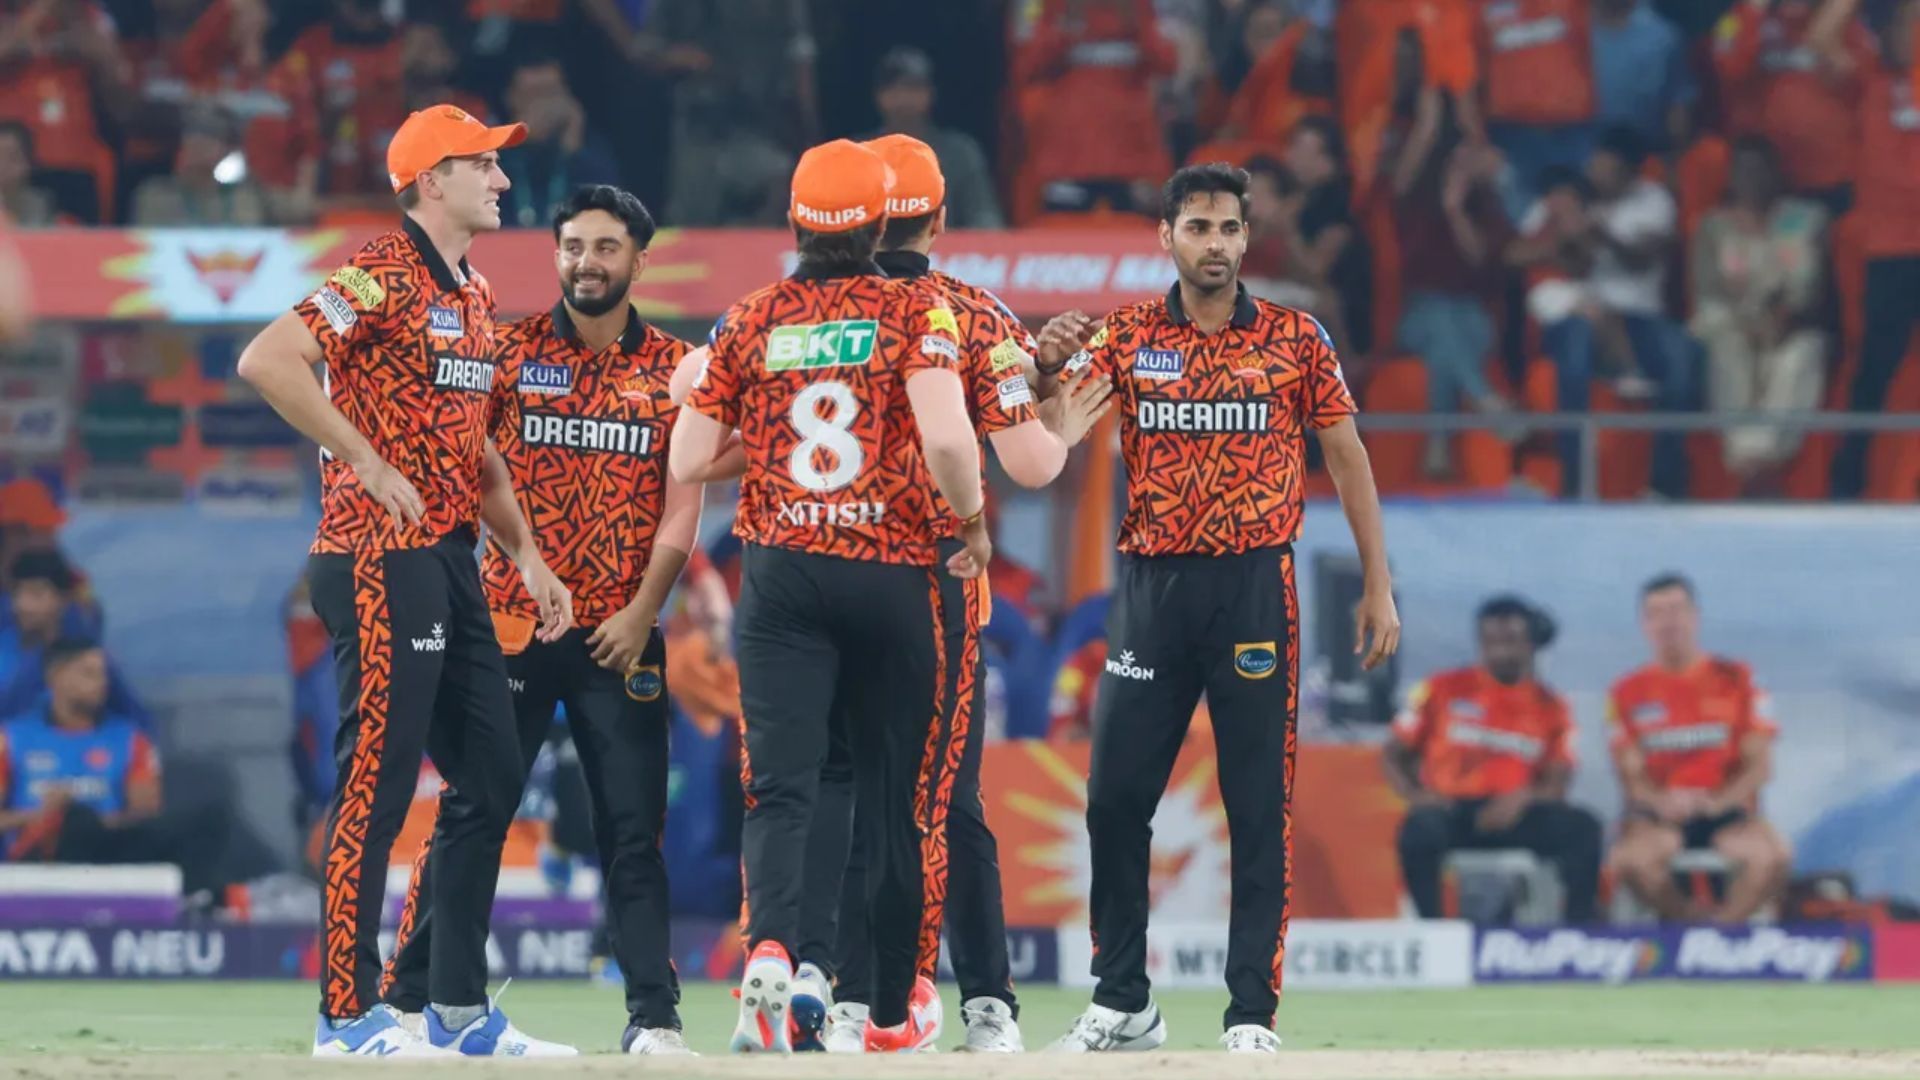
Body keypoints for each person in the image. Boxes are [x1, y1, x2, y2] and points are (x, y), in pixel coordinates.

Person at [235, 103, 576, 1058]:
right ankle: (343, 1016)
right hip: (374, 555)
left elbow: (484, 455)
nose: (503, 181)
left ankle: (445, 1006)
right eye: (483, 165)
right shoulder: (379, 271)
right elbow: (268, 359)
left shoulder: (472, 294)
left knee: (495, 776)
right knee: (378, 790)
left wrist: (529, 558)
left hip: (450, 561)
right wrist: (366, 459)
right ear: (432, 180)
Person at [1035, 162, 1399, 1055]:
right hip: (1153, 592)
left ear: (1247, 237)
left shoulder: (1295, 337)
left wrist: (1378, 584)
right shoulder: (1123, 338)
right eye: (1196, 227)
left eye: (1228, 228)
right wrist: (1044, 364)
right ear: (1166, 237)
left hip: (1252, 590)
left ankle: (1250, 1017)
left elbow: (1348, 458)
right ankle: (1123, 1001)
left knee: (1256, 810)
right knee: (1115, 800)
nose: (1214, 244)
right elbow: (1051, 437)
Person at [786, 133, 1112, 1054]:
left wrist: (1035, 372)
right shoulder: (969, 309)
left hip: (809, 572)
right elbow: (1023, 456)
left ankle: (827, 986)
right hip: (934, 576)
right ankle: (983, 1005)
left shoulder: (792, 307)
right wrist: (1054, 406)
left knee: (832, 786)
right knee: (943, 797)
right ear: (937, 216)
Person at [669, 138, 989, 1054]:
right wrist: (969, 523)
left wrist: (767, 449)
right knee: (894, 799)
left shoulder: (751, 317)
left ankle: (770, 949)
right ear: (884, 223)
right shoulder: (915, 313)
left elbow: (690, 457)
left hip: (780, 577)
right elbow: (952, 443)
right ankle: (884, 1008)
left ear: (798, 223)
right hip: (889, 573)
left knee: (781, 788)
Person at [376, 185, 699, 1055]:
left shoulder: (679, 368)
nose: (585, 263)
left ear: (638, 258)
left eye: (604, 247)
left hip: (617, 636)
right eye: (571, 247)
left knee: (633, 832)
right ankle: (414, 1000)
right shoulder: (507, 354)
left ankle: (654, 1021)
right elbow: (470, 471)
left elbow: (681, 508)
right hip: (508, 630)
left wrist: (642, 613)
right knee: (472, 814)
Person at [1383, 596, 1603, 925]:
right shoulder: (1442, 688)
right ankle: (1434, 931)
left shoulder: (1551, 706)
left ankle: (1574, 933)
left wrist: (1523, 798)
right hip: (1452, 810)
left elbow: (1559, 779)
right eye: (1491, 640)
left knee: (1584, 828)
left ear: (1530, 645)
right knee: (1417, 831)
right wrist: (1418, 797)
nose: (1500, 650)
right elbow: (1393, 754)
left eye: (1511, 641)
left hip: (1516, 813)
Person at [1607, 574, 1791, 924]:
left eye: (1676, 610)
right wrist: (1662, 802)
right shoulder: (1626, 691)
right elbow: (1630, 775)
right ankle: (1688, 927)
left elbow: (1760, 767)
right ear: (1645, 624)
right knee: (1629, 860)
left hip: (1726, 810)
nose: (1668, 622)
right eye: (1656, 613)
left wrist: (1716, 803)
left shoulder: (1738, 679)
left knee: (1773, 857)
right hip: (1661, 815)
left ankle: (1722, 934)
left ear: (1695, 616)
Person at [0, 637, 231, 897]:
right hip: (38, 857)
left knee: (210, 818)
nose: (101, 683)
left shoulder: (130, 739)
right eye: (89, 673)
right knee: (72, 820)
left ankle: (204, 904)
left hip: (109, 849)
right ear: (56, 677)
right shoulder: (11, 739)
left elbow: (145, 813)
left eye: (103, 674)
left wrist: (97, 823)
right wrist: (42, 815)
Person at [1815, 0, 1920, 497]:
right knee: (1876, 365)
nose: (1905, 35)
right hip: (1891, 247)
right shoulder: (1869, 79)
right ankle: (1846, 483)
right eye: (1900, 23)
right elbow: (1820, 41)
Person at [1688, 136, 1828, 482]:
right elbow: (1707, 292)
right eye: (1743, 170)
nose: (1752, 178)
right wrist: (1745, 321)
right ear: (1732, 177)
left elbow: (1809, 285)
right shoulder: (1713, 227)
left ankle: (1763, 458)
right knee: (1726, 346)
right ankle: (1744, 458)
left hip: (1786, 325)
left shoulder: (1804, 219)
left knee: (1805, 353)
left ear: (1776, 173)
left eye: (1759, 169)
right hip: (1732, 325)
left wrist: (1783, 317)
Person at [862, 48, 1003, 229]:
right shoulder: (860, 155)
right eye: (893, 89)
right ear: (878, 96)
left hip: (945, 253)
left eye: (913, 89)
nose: (903, 99)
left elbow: (985, 218)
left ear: (931, 94)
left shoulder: (960, 152)